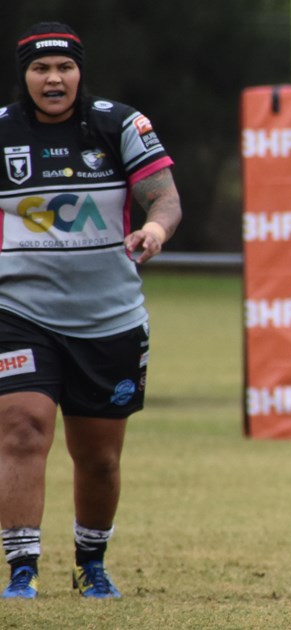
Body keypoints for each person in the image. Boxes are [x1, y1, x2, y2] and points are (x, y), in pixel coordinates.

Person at [0, 22, 183, 601]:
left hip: (109, 318)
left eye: (65, 67)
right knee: (23, 426)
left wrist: (155, 229)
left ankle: (91, 563)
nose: (53, 78)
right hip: (18, 310)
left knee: (99, 457)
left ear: (79, 73)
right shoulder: (3, 132)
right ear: (25, 76)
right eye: (40, 68)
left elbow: (164, 196)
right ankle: (21, 568)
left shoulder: (119, 125)